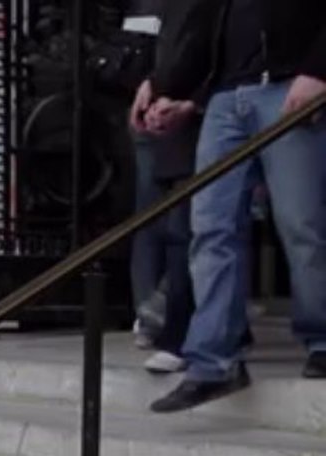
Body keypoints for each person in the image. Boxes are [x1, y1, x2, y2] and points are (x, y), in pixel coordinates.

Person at [146, 0, 326, 413]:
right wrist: (168, 89)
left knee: (302, 223)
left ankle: (322, 338)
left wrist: (319, 69)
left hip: (288, 86)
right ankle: (213, 362)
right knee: (210, 226)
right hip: (226, 98)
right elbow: (202, 29)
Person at [125, 0, 202, 373]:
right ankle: (154, 314)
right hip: (160, 107)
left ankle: (168, 317)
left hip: (193, 108)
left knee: (187, 226)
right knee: (162, 222)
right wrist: (152, 85)